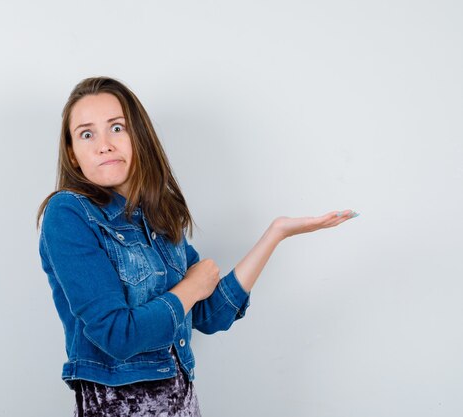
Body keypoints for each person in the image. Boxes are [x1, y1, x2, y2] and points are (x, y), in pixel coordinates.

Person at [36, 76, 358, 416]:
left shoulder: (159, 215)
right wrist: (191, 286)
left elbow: (207, 314)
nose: (104, 144)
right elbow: (117, 336)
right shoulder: (68, 213)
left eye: (117, 128)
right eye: (87, 134)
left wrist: (275, 235)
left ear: (139, 137)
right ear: (73, 155)